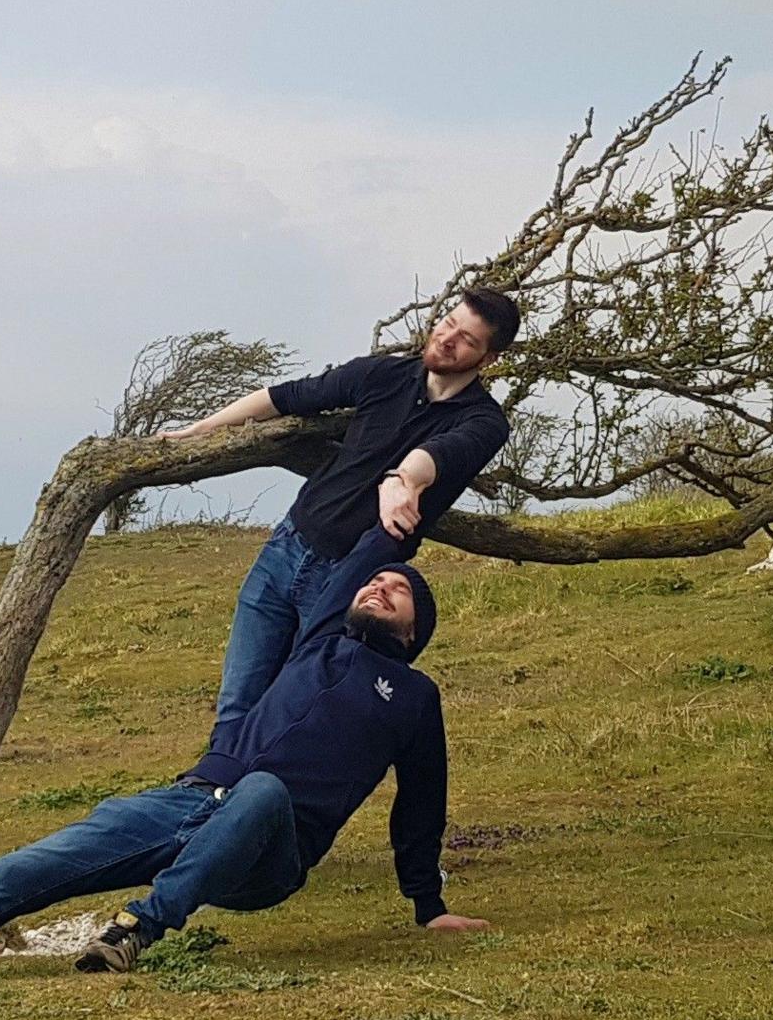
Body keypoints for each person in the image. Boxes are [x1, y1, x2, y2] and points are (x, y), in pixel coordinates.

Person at [0, 531, 480, 1004]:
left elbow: (420, 805)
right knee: (20, 874)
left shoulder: (415, 697)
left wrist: (430, 908)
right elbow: (357, 560)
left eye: (399, 590)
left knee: (264, 789)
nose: (379, 588)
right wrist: (389, 524)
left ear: (415, 631)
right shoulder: (318, 640)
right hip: (185, 802)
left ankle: (138, 929)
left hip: (272, 845)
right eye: (374, 583)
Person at [163, 288, 520, 746]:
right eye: (448, 322)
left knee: (292, 711)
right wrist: (199, 432)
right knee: (236, 704)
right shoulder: (383, 375)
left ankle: (265, 804)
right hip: (285, 549)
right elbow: (283, 397)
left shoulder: (485, 422)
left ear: (487, 358)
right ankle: (206, 795)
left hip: (349, 581)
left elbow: (437, 455)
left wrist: (403, 481)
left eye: (466, 338)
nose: (448, 338)